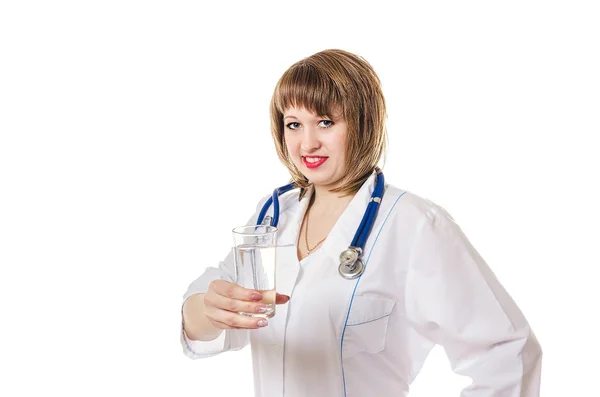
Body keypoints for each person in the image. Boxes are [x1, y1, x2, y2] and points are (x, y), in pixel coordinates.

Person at [180, 49, 542, 396]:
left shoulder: (412, 224)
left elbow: (507, 352)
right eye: (294, 124)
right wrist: (210, 310)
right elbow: (202, 319)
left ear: (362, 123)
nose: (307, 143)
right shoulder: (273, 218)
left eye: (325, 122)